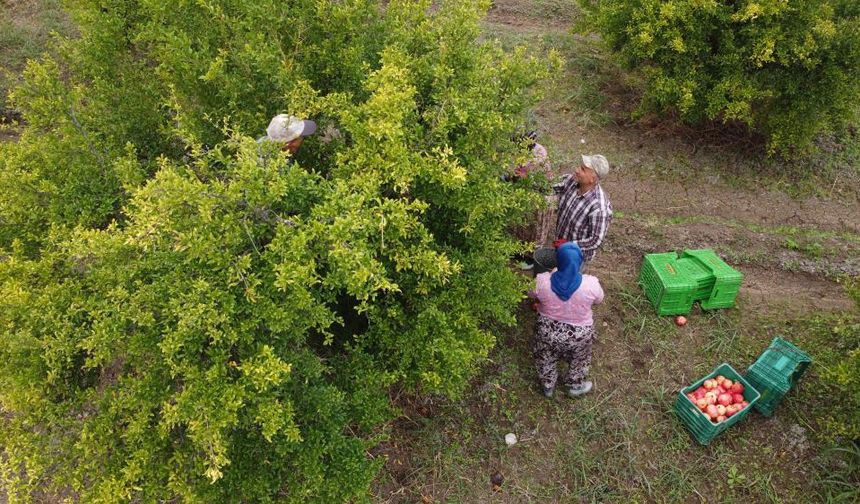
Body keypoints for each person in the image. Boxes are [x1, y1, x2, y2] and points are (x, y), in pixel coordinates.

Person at [528, 242, 604, 398]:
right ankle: (575, 386)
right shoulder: (591, 284)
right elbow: (599, 300)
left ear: (558, 261)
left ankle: (548, 387)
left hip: (547, 331)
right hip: (579, 335)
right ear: (579, 262)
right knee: (580, 358)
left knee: (545, 356)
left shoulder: (542, 281)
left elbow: (531, 294)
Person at [531, 154, 612, 272]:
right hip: (560, 245)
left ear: (592, 179)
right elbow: (547, 187)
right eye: (580, 166)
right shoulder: (570, 181)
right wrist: (527, 179)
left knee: (567, 284)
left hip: (576, 256)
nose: (577, 170)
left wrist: (569, 244)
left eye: (583, 169)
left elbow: (595, 240)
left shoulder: (599, 207)